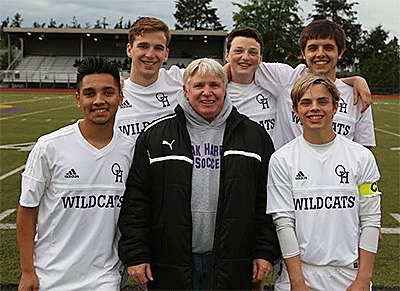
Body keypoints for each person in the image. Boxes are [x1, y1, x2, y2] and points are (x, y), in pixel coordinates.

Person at [118, 58, 281, 290]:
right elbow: (137, 201)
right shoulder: (155, 136)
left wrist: (265, 252)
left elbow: (266, 203)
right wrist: (136, 254)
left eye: (215, 85)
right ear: (185, 90)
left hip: (234, 263)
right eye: (199, 86)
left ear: (225, 89)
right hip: (170, 263)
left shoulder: (255, 137)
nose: (207, 93)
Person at [17, 57, 135, 290]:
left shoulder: (131, 150)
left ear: (120, 97)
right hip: (51, 278)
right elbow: (27, 210)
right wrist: (27, 271)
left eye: (108, 92)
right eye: (90, 93)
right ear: (78, 99)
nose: (99, 100)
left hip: (104, 279)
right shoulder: (49, 146)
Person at [266, 73, 381, 290]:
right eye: (306, 102)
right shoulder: (281, 160)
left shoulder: (361, 157)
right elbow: (283, 224)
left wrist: (363, 280)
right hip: (300, 276)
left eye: (323, 101)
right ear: (295, 110)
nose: (314, 108)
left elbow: (370, 221)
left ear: (336, 107)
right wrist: (297, 282)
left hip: (350, 276)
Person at [255, 19, 375, 149]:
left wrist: (356, 80)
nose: (320, 54)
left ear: (340, 52)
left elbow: (363, 151)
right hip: (290, 168)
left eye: (328, 48)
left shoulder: (357, 96)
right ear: (303, 53)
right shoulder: (286, 79)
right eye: (313, 48)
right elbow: (240, 65)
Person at [115, 17, 183, 144]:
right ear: (129, 50)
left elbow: (221, 74)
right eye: (143, 46)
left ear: (166, 54)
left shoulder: (179, 79)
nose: (150, 55)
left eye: (158, 48)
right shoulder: (114, 92)